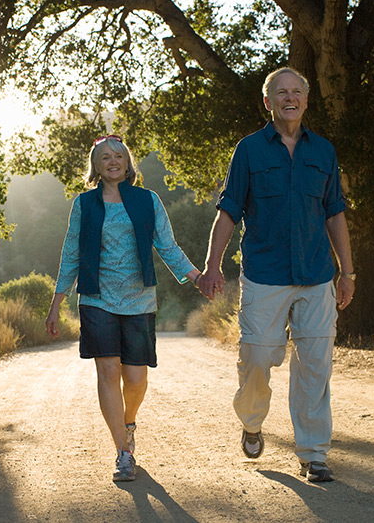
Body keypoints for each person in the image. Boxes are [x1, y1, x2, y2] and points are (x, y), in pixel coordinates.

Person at [198, 67, 355, 483]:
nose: (290, 98)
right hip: (265, 274)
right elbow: (229, 210)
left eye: (297, 92)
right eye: (281, 92)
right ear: (267, 102)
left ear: (306, 99)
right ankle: (251, 421)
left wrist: (348, 272)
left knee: (315, 366)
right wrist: (213, 266)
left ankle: (313, 453)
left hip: (317, 274)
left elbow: (334, 212)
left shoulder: (323, 152)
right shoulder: (249, 150)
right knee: (257, 356)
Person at [45, 134, 201, 482]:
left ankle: (129, 422)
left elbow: (167, 245)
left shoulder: (148, 200)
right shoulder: (84, 204)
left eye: (118, 155)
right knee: (108, 372)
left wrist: (196, 277)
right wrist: (56, 303)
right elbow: (70, 254)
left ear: (128, 163)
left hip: (139, 299)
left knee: (135, 377)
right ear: (96, 167)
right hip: (97, 298)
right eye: (104, 157)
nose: (112, 161)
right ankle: (123, 451)